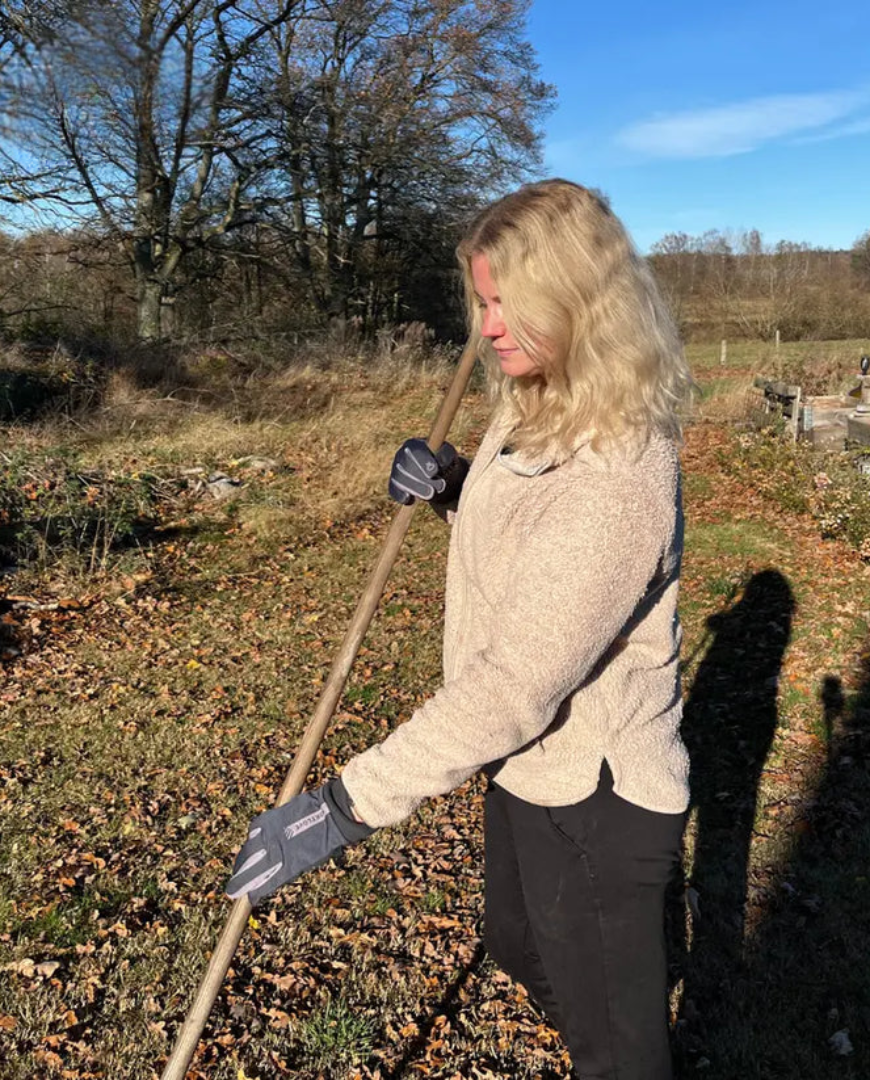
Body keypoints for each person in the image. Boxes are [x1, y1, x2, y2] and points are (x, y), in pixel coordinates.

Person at [228, 178, 694, 1079]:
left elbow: (514, 687)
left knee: (619, 1051)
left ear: (579, 300)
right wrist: (453, 484)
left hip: (594, 797)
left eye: (507, 304)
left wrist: (342, 808)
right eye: (481, 302)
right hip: (528, 767)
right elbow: (531, 547)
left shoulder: (616, 471)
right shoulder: (538, 397)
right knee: (516, 945)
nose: (486, 327)